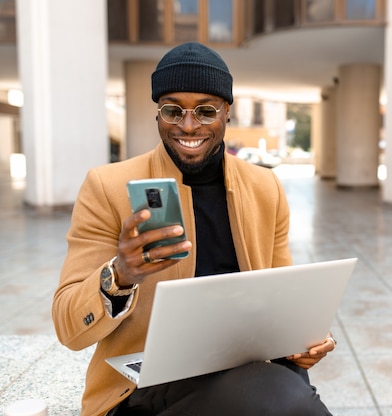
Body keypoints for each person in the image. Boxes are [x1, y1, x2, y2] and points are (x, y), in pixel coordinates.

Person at [52, 42, 336, 416]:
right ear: (158, 115)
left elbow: (283, 302)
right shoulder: (108, 187)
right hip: (149, 390)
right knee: (285, 399)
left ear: (226, 113)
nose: (188, 125)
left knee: (282, 391)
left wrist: (305, 341)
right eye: (173, 110)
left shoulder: (264, 187)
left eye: (206, 111)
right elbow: (69, 328)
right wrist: (118, 275)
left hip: (250, 372)